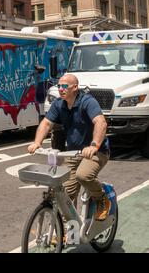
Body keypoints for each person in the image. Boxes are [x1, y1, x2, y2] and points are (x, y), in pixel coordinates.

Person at [27, 74, 111, 221]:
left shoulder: (87, 101)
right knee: (65, 192)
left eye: (64, 86)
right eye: (59, 86)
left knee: (83, 175)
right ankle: (69, 229)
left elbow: (101, 122)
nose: (60, 89)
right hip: (73, 153)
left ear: (75, 87)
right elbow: (46, 123)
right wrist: (37, 142)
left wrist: (94, 145)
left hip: (97, 151)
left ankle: (102, 199)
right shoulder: (59, 104)